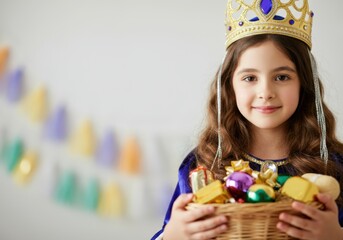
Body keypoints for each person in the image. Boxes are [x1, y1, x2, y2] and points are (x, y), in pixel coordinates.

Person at [151, 0, 343, 239]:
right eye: (250, 78)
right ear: (230, 86)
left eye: (282, 77)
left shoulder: (334, 164)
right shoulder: (204, 165)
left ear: (304, 84)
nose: (265, 92)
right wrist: (172, 236)